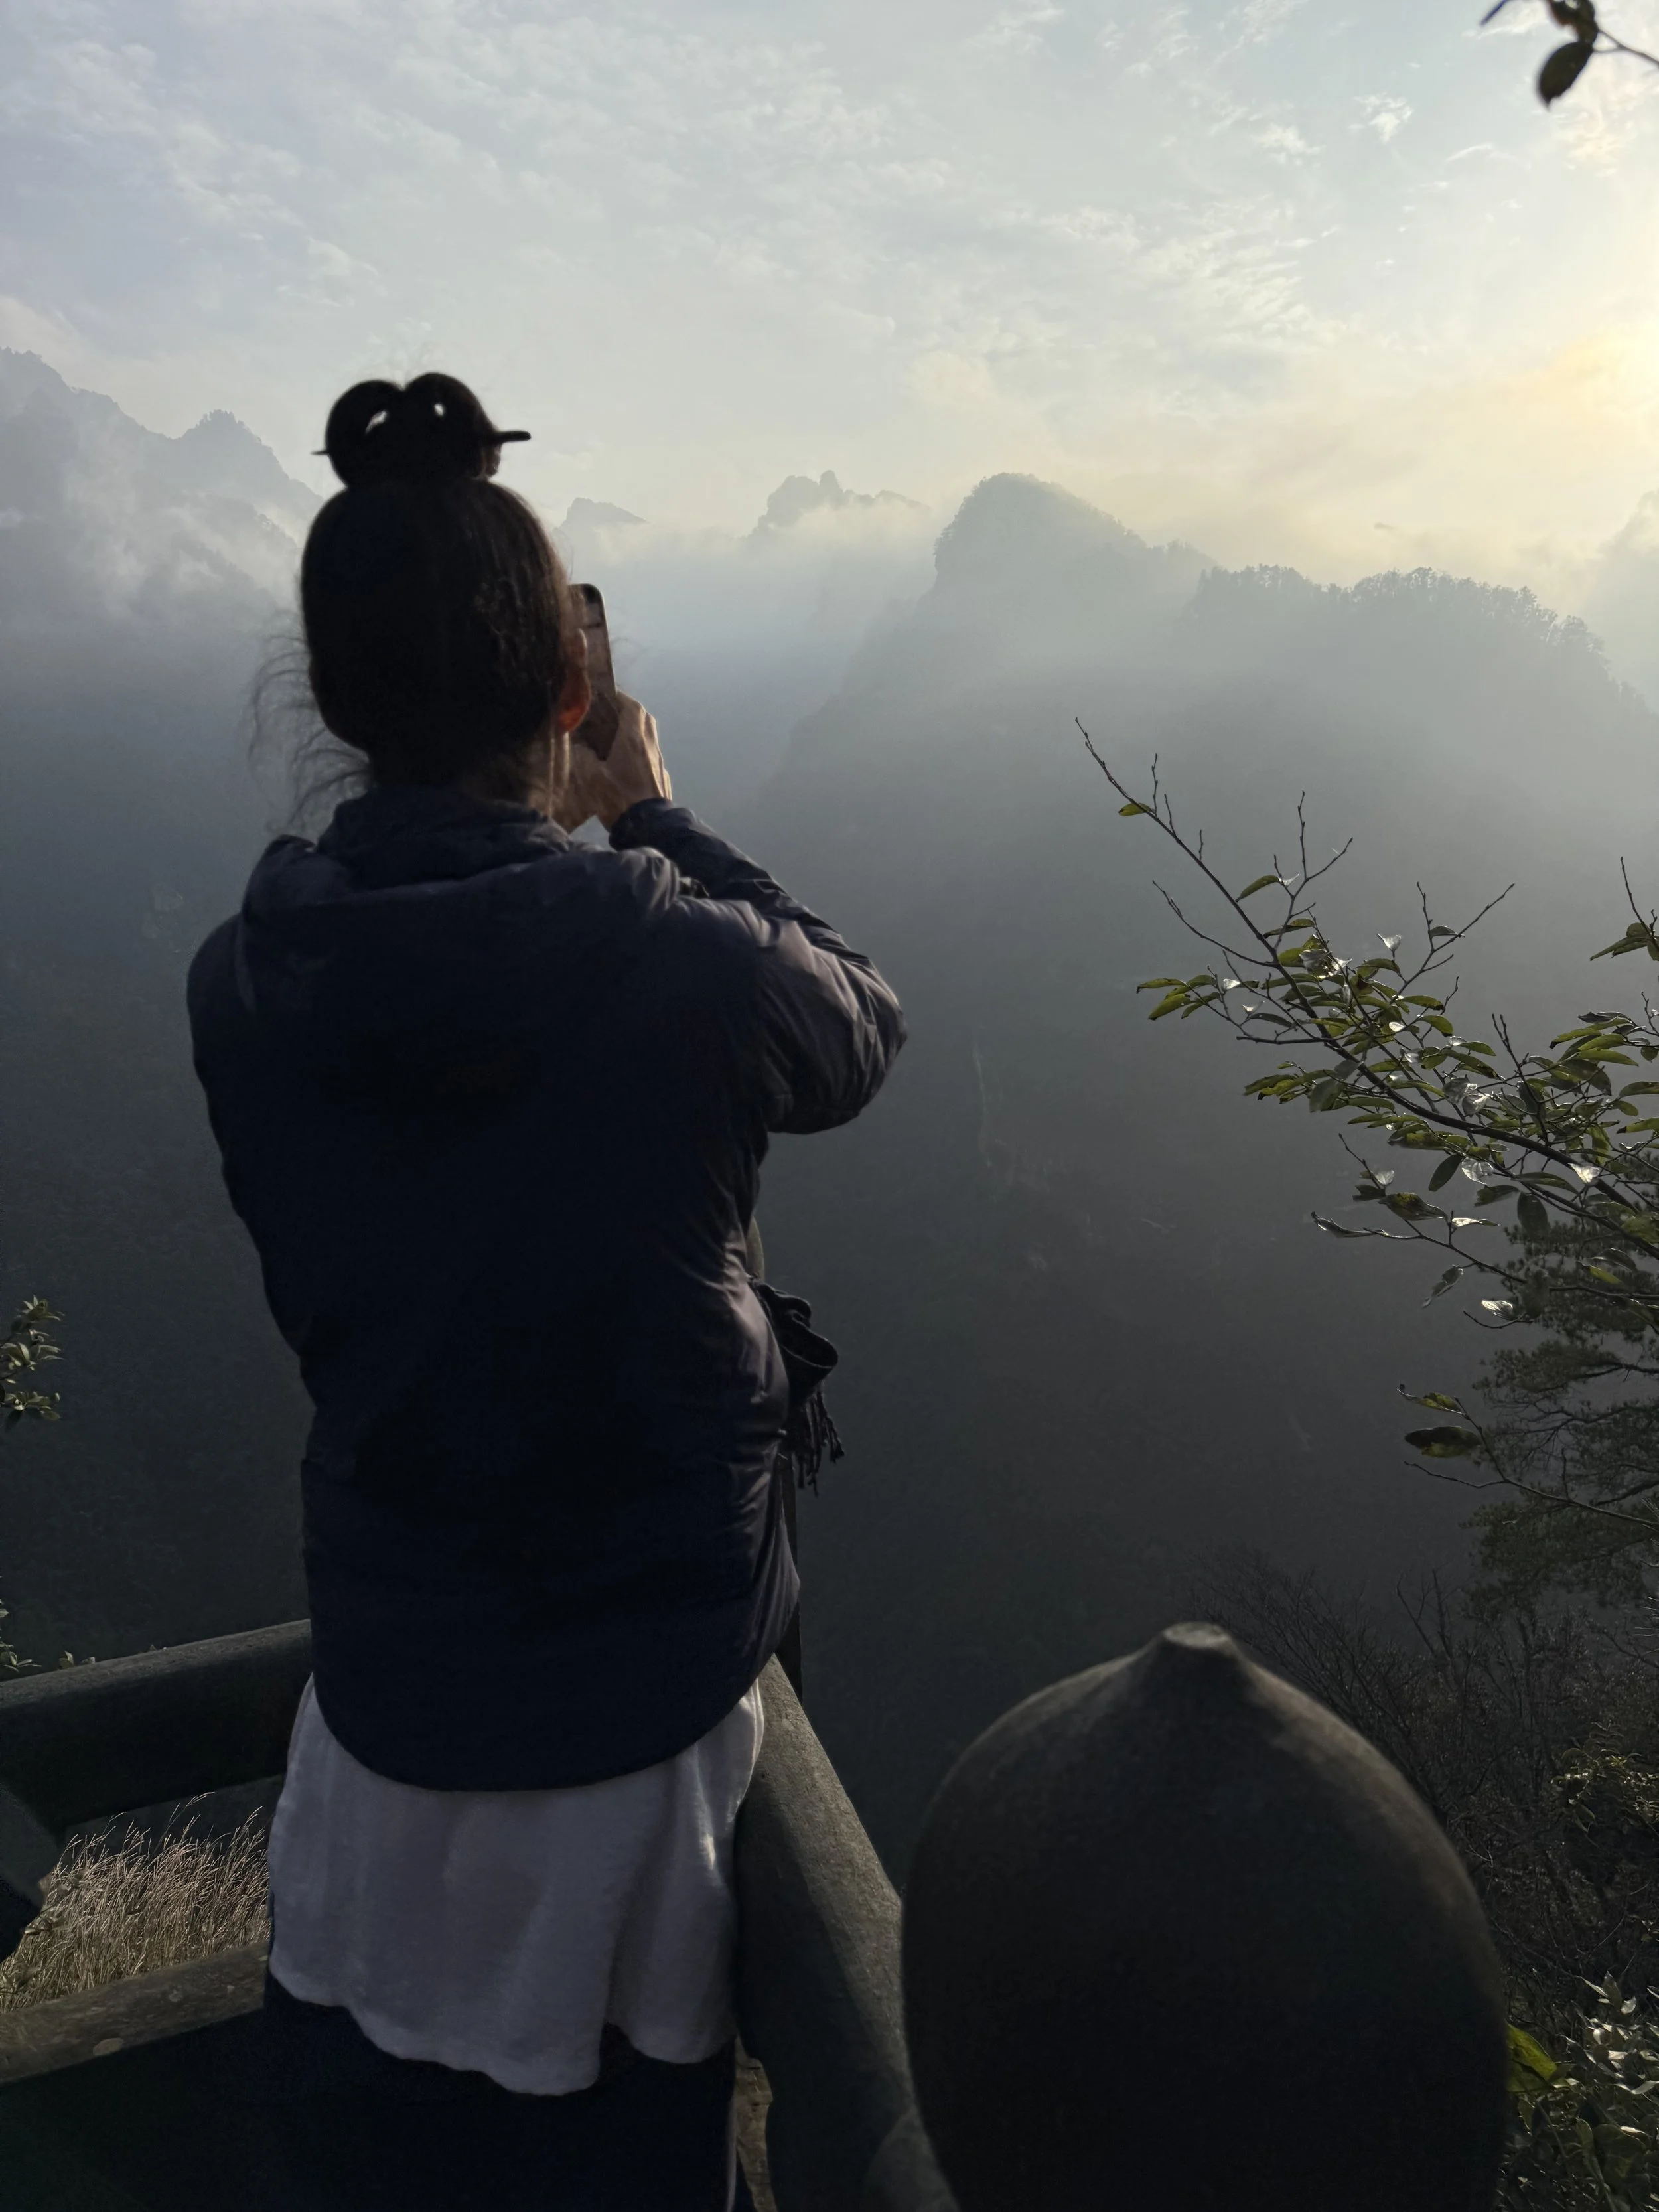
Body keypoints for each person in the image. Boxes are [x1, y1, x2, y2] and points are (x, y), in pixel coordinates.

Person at [187, 372, 906, 2208]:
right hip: (638, 1716)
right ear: (570, 687)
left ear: (336, 696)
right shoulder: (675, 960)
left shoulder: (242, 978)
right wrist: (652, 815)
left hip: (384, 1693)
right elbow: (856, 1025)